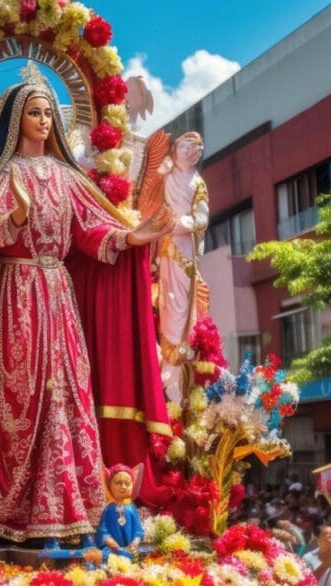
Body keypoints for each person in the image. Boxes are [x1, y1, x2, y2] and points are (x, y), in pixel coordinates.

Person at [0, 67, 173, 544]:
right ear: (14, 120)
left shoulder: (69, 178)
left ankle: (77, 504)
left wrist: (129, 236)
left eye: (48, 113)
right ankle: (19, 507)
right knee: (22, 392)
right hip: (15, 292)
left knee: (68, 389)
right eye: (34, 113)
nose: (43, 121)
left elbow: (89, 232)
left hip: (59, 293)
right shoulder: (3, 175)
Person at [154, 130, 210, 404]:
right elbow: (152, 204)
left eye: (197, 149)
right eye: (187, 147)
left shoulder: (198, 183)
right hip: (166, 251)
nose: (191, 153)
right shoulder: (165, 175)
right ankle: (167, 371)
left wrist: (183, 224)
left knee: (185, 310)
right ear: (175, 149)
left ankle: (179, 376)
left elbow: (202, 216)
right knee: (168, 303)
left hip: (186, 251)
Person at [95, 464, 144, 559]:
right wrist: (108, 540)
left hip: (130, 550)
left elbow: (138, 530)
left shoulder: (131, 508)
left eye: (127, 483)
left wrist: (135, 542)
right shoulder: (109, 508)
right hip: (113, 550)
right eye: (118, 483)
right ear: (109, 485)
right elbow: (103, 529)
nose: (123, 487)